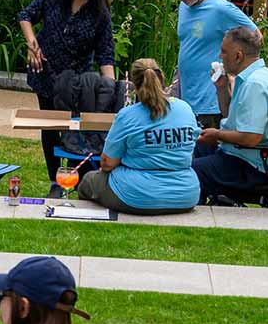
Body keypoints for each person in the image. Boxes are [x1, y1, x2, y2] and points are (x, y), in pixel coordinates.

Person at [18, 0, 116, 182]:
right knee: (50, 127)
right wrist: (32, 45)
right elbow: (26, 15)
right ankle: (54, 179)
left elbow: (105, 54)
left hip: (77, 81)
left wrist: (110, 87)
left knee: (74, 130)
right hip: (45, 72)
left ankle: (74, 177)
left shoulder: (99, 11)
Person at [75, 58, 200, 215]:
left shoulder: (127, 115)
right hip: (185, 195)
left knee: (88, 181)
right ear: (161, 78)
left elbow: (107, 163)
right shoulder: (185, 108)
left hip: (135, 195)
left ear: (134, 84)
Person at [194, 26, 268, 204]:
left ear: (238, 56)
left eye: (223, 52)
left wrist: (217, 134)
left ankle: (195, 216)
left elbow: (251, 137)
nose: (220, 56)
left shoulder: (255, 84)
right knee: (192, 150)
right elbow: (233, 117)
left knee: (193, 172)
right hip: (248, 156)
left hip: (256, 167)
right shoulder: (251, 76)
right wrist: (222, 88)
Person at [171, 0, 256, 127]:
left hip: (210, 101)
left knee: (205, 150)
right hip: (186, 96)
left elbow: (255, 37)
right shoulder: (184, 6)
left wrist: (232, 70)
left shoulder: (221, 9)